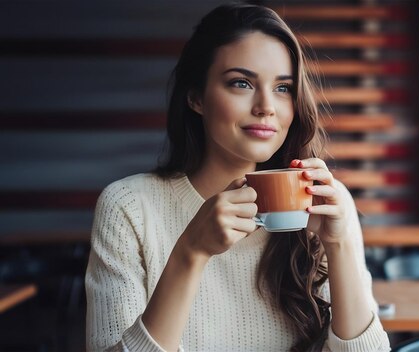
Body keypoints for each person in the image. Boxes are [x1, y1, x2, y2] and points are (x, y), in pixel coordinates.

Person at [85, 3, 391, 352]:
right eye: (242, 83)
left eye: (282, 88)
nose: (266, 106)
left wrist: (340, 245)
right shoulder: (128, 207)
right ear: (196, 97)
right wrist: (191, 252)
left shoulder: (323, 202)